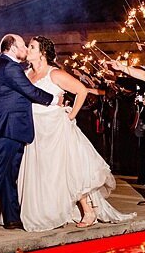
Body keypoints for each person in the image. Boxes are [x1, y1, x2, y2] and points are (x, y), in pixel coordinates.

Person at [17, 36, 134, 231]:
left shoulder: (54, 74)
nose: (28, 49)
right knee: (45, 172)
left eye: (32, 46)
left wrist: (71, 115)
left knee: (68, 169)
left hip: (55, 127)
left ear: (42, 53)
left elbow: (82, 91)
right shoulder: (27, 73)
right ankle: (52, 210)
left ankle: (88, 210)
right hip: (36, 128)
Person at [0, 34, 57, 236]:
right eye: (23, 46)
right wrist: (55, 99)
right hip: (4, 129)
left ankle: (12, 218)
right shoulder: (9, 67)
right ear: (12, 48)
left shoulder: (5, 65)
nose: (26, 50)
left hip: (12, 129)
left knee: (9, 176)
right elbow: (30, 91)